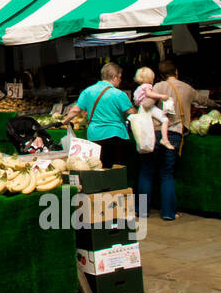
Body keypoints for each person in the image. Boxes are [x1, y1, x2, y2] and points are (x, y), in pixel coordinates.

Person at [137, 59, 213, 223]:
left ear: (162, 75)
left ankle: (142, 211)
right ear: (176, 72)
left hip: (155, 133)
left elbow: (146, 104)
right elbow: (203, 101)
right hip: (175, 134)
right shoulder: (188, 88)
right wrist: (216, 105)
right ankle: (169, 213)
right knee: (167, 173)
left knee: (147, 171)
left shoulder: (158, 87)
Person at [65, 63, 134, 170]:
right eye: (120, 77)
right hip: (116, 135)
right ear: (115, 77)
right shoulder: (119, 94)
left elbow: (75, 110)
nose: (120, 80)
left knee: (98, 167)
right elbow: (132, 113)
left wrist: (65, 121)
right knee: (117, 169)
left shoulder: (88, 91)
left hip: (95, 135)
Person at [133, 67, 174, 150]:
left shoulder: (139, 88)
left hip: (141, 109)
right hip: (148, 107)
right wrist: (161, 96)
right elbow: (149, 94)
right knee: (165, 119)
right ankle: (165, 140)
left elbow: (136, 102)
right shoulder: (147, 86)